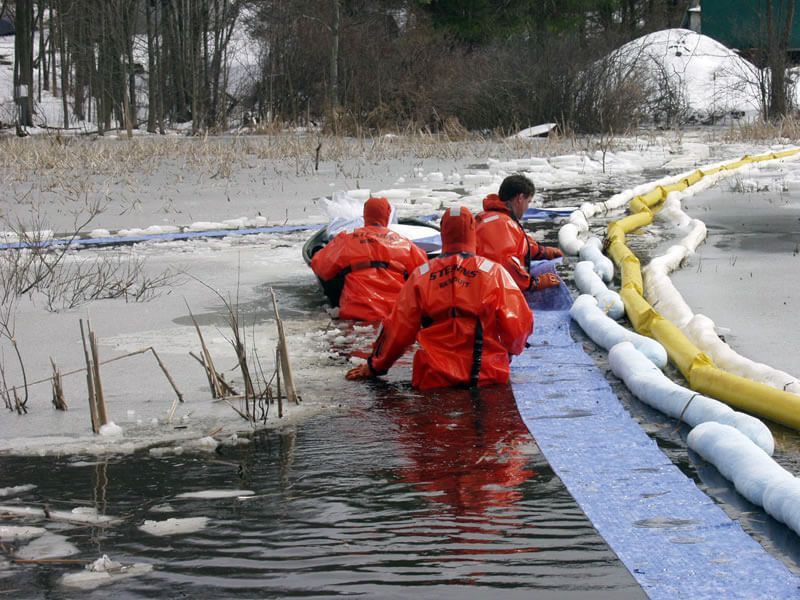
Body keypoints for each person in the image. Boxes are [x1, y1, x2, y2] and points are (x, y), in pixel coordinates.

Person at [346, 206, 533, 390]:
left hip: (434, 378)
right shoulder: (493, 272)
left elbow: (398, 330)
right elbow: (519, 324)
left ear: (443, 232)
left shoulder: (421, 275)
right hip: (487, 377)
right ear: (472, 231)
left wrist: (375, 366)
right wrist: (508, 352)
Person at [311, 196, 429, 322]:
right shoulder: (405, 244)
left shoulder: (346, 240)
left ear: (365, 215)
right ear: (388, 215)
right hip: (395, 314)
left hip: (355, 314)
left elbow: (320, 266)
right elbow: (426, 276)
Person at [475, 174, 563, 293]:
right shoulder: (502, 223)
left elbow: (517, 243)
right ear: (520, 198)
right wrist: (533, 283)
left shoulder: (492, 218)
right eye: (528, 201)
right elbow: (503, 262)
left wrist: (542, 251)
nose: (527, 207)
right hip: (491, 290)